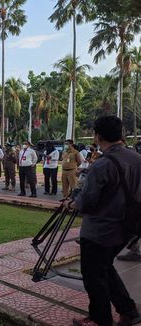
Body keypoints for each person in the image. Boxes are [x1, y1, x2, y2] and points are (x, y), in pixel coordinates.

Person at [70, 116, 141, 326]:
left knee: (93, 276)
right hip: (128, 228)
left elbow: (88, 201)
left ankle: (100, 319)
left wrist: (74, 203)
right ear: (121, 134)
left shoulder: (101, 165)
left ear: (98, 136)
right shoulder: (137, 159)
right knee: (105, 267)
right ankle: (129, 310)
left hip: (99, 232)